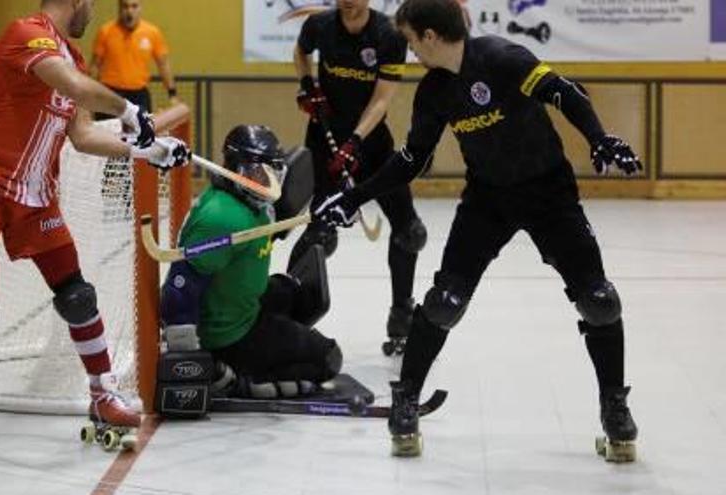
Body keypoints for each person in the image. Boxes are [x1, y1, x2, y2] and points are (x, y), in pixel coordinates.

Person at [314, 0, 641, 461]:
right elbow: (411, 161)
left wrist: (600, 139)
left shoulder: (503, 58)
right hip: (487, 199)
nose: (409, 52)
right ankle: (406, 398)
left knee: (599, 301)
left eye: (410, 41)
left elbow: (564, 91)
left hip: (549, 194)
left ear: (429, 36)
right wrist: (350, 198)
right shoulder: (434, 92)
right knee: (445, 302)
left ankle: (615, 408)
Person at [0, 0, 189, 468]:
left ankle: (103, 395)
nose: (93, 9)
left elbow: (84, 137)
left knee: (78, 297)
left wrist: (148, 151)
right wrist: (129, 108)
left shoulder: (75, 58)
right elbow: (70, 85)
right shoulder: (28, 34)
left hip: (36, 198)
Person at [160, 125, 343, 401]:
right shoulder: (221, 218)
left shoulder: (251, 201)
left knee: (295, 292)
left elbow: (279, 224)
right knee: (329, 358)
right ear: (234, 170)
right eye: (258, 173)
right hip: (228, 333)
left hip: (241, 303)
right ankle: (246, 377)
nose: (266, 182)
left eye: (272, 173)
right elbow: (179, 289)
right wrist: (192, 359)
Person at [292, 0, 427, 356]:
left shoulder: (389, 35)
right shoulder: (319, 25)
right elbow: (301, 51)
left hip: (371, 144)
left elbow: (382, 100)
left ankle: (402, 317)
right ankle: (286, 316)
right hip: (325, 139)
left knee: (409, 232)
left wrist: (354, 142)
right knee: (320, 234)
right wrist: (308, 84)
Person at [90, 0, 177, 118]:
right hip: (110, 94)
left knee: (143, 133)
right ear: (119, 9)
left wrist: (172, 94)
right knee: (106, 133)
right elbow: (95, 65)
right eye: (125, 6)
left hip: (139, 95)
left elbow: (163, 64)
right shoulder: (106, 31)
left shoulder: (152, 33)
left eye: (134, 6)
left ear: (140, 8)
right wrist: (90, 95)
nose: (129, 11)